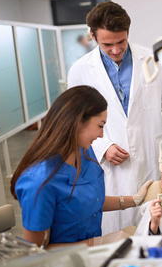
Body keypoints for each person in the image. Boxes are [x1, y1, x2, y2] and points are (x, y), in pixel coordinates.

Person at [67, 1, 162, 235]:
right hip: (112, 167)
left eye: (121, 42)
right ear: (92, 35)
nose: (116, 50)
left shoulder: (150, 60)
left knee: (156, 229)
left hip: (149, 156)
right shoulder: (80, 69)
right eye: (108, 44)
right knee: (118, 235)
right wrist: (102, 146)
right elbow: (75, 120)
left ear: (128, 32)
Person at [10, 86, 152, 249]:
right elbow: (35, 252)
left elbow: (88, 199)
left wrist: (133, 200)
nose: (101, 135)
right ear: (78, 122)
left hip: (90, 255)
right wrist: (93, 244)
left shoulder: (84, 151)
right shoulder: (39, 182)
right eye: (100, 125)